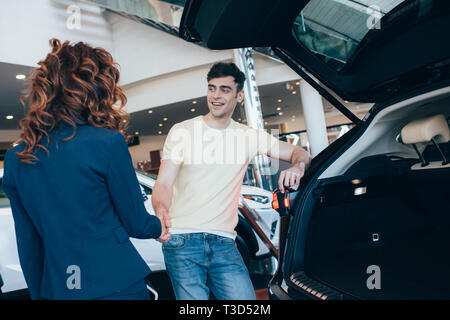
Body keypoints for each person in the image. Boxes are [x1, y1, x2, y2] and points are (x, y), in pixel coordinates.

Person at [2, 38, 170, 300]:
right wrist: (158, 227)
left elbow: (29, 244)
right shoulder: (108, 143)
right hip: (115, 283)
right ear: (97, 89)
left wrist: (40, 294)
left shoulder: (16, 158)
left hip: (59, 289)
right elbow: (136, 223)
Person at [152, 62, 311, 300]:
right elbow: (163, 182)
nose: (215, 96)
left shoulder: (248, 136)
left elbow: (299, 153)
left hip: (225, 242)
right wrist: (160, 208)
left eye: (224, 90)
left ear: (239, 96)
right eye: (211, 88)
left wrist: (298, 167)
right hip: (182, 239)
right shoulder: (182, 131)